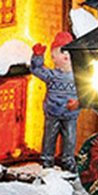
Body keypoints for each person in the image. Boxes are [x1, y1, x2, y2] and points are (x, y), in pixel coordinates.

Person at [29, 31, 80, 171]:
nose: (66, 55)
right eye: (62, 51)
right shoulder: (51, 75)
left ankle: (68, 161)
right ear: (53, 57)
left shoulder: (79, 77)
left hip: (70, 114)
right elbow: (36, 70)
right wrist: (38, 57)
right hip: (53, 113)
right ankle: (47, 161)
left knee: (69, 138)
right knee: (49, 137)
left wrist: (78, 103)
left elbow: (87, 93)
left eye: (69, 51)